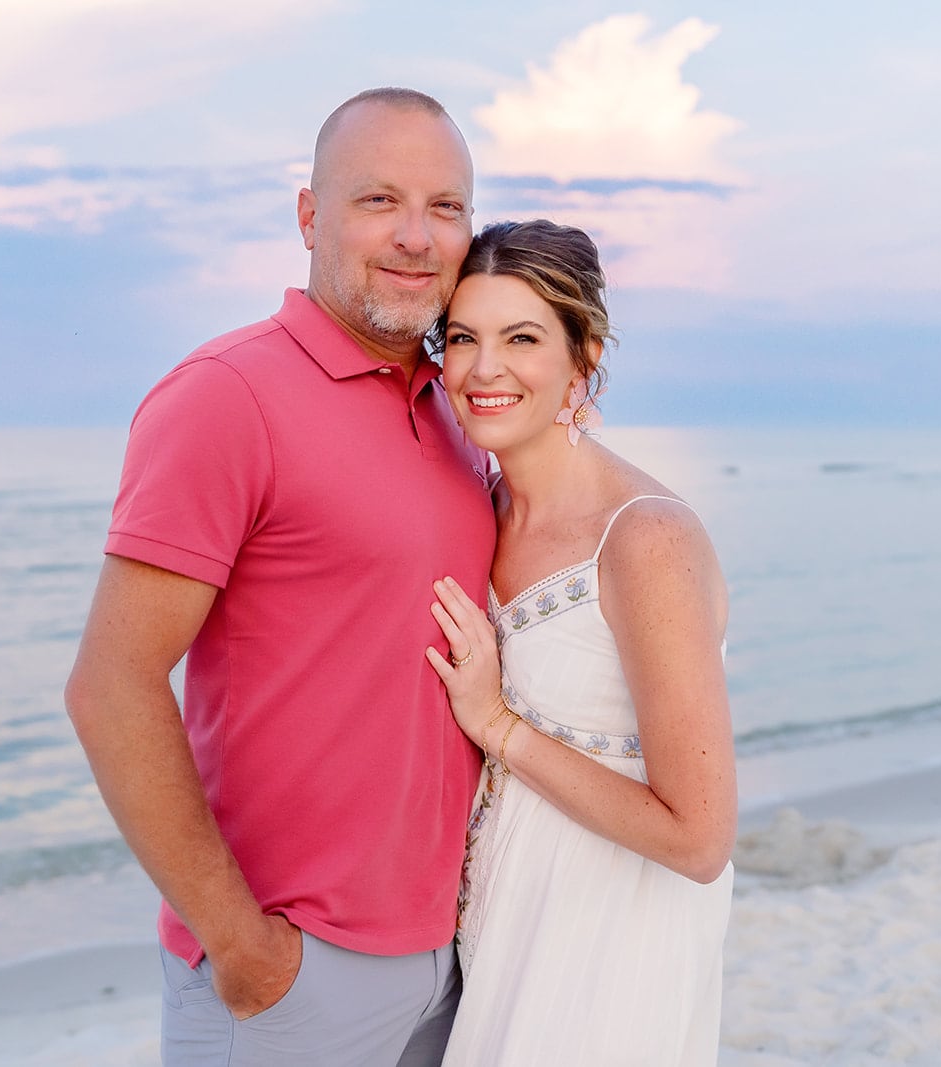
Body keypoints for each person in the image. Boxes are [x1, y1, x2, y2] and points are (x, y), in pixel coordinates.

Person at [64, 88, 496, 1066]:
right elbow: (110, 685)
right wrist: (243, 945)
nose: (416, 236)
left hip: (452, 956)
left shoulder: (460, 412)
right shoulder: (226, 396)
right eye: (378, 200)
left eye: (445, 207)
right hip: (292, 973)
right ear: (309, 215)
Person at [423, 219, 737, 1065]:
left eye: (521, 338)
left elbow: (701, 837)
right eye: (463, 338)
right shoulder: (480, 510)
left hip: (614, 937)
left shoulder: (645, 538)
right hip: (506, 923)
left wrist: (498, 724)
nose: (484, 368)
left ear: (582, 359)